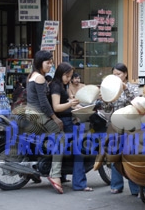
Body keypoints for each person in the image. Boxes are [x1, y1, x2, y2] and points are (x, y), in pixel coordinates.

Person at [49, 62, 93, 192]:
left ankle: (62, 176)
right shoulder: (56, 86)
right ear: (60, 74)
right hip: (63, 121)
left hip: (68, 119)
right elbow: (56, 107)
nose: (69, 79)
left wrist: (77, 106)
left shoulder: (63, 85)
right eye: (67, 76)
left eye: (71, 76)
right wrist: (71, 104)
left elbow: (68, 101)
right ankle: (79, 183)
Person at [26, 50, 64, 194]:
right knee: (60, 138)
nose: (50, 65)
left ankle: (34, 170)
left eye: (51, 62)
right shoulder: (40, 78)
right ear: (39, 62)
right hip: (39, 116)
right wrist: (55, 118)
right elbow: (43, 103)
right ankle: (55, 175)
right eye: (48, 62)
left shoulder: (31, 76)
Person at [99, 63, 141, 196]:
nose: (116, 76)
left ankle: (136, 188)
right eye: (114, 74)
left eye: (119, 74)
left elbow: (136, 102)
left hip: (131, 125)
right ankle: (116, 185)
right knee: (114, 156)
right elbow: (107, 110)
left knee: (131, 157)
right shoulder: (110, 88)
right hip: (115, 125)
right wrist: (105, 101)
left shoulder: (133, 87)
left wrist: (125, 89)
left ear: (125, 74)